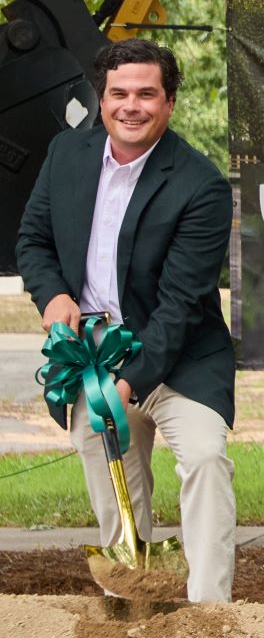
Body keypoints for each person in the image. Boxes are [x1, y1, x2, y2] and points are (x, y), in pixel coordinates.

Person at [15, 38, 238, 602]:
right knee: (109, 465)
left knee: (207, 459)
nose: (130, 106)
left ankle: (210, 610)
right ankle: (131, 600)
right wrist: (52, 298)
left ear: (168, 103)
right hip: (92, 350)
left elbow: (180, 305)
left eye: (146, 94)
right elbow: (33, 241)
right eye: (118, 93)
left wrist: (132, 380)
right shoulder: (65, 154)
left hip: (180, 355)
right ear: (102, 95)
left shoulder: (201, 185)